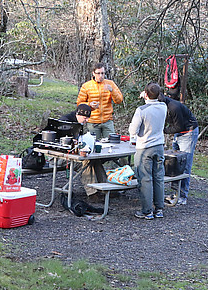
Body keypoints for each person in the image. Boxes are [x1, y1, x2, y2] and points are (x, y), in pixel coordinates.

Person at [129, 82, 167, 219]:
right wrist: (148, 97)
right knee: (158, 178)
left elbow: (133, 130)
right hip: (159, 146)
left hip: (144, 147)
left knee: (145, 179)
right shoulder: (163, 107)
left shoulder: (141, 110)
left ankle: (147, 210)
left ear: (145, 94)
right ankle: (159, 209)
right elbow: (157, 100)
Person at [161, 92, 199, 206]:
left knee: (184, 165)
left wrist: (163, 130)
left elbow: (179, 127)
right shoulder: (165, 106)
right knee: (174, 164)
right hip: (179, 134)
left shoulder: (174, 107)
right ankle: (175, 194)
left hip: (188, 133)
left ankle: (182, 196)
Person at [77, 63, 123, 140]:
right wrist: (89, 105)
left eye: (102, 73)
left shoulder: (110, 83)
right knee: (92, 145)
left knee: (112, 144)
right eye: (98, 73)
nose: (101, 75)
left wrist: (112, 91)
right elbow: (79, 103)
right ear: (93, 73)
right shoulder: (86, 86)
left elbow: (119, 100)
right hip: (92, 122)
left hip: (107, 121)